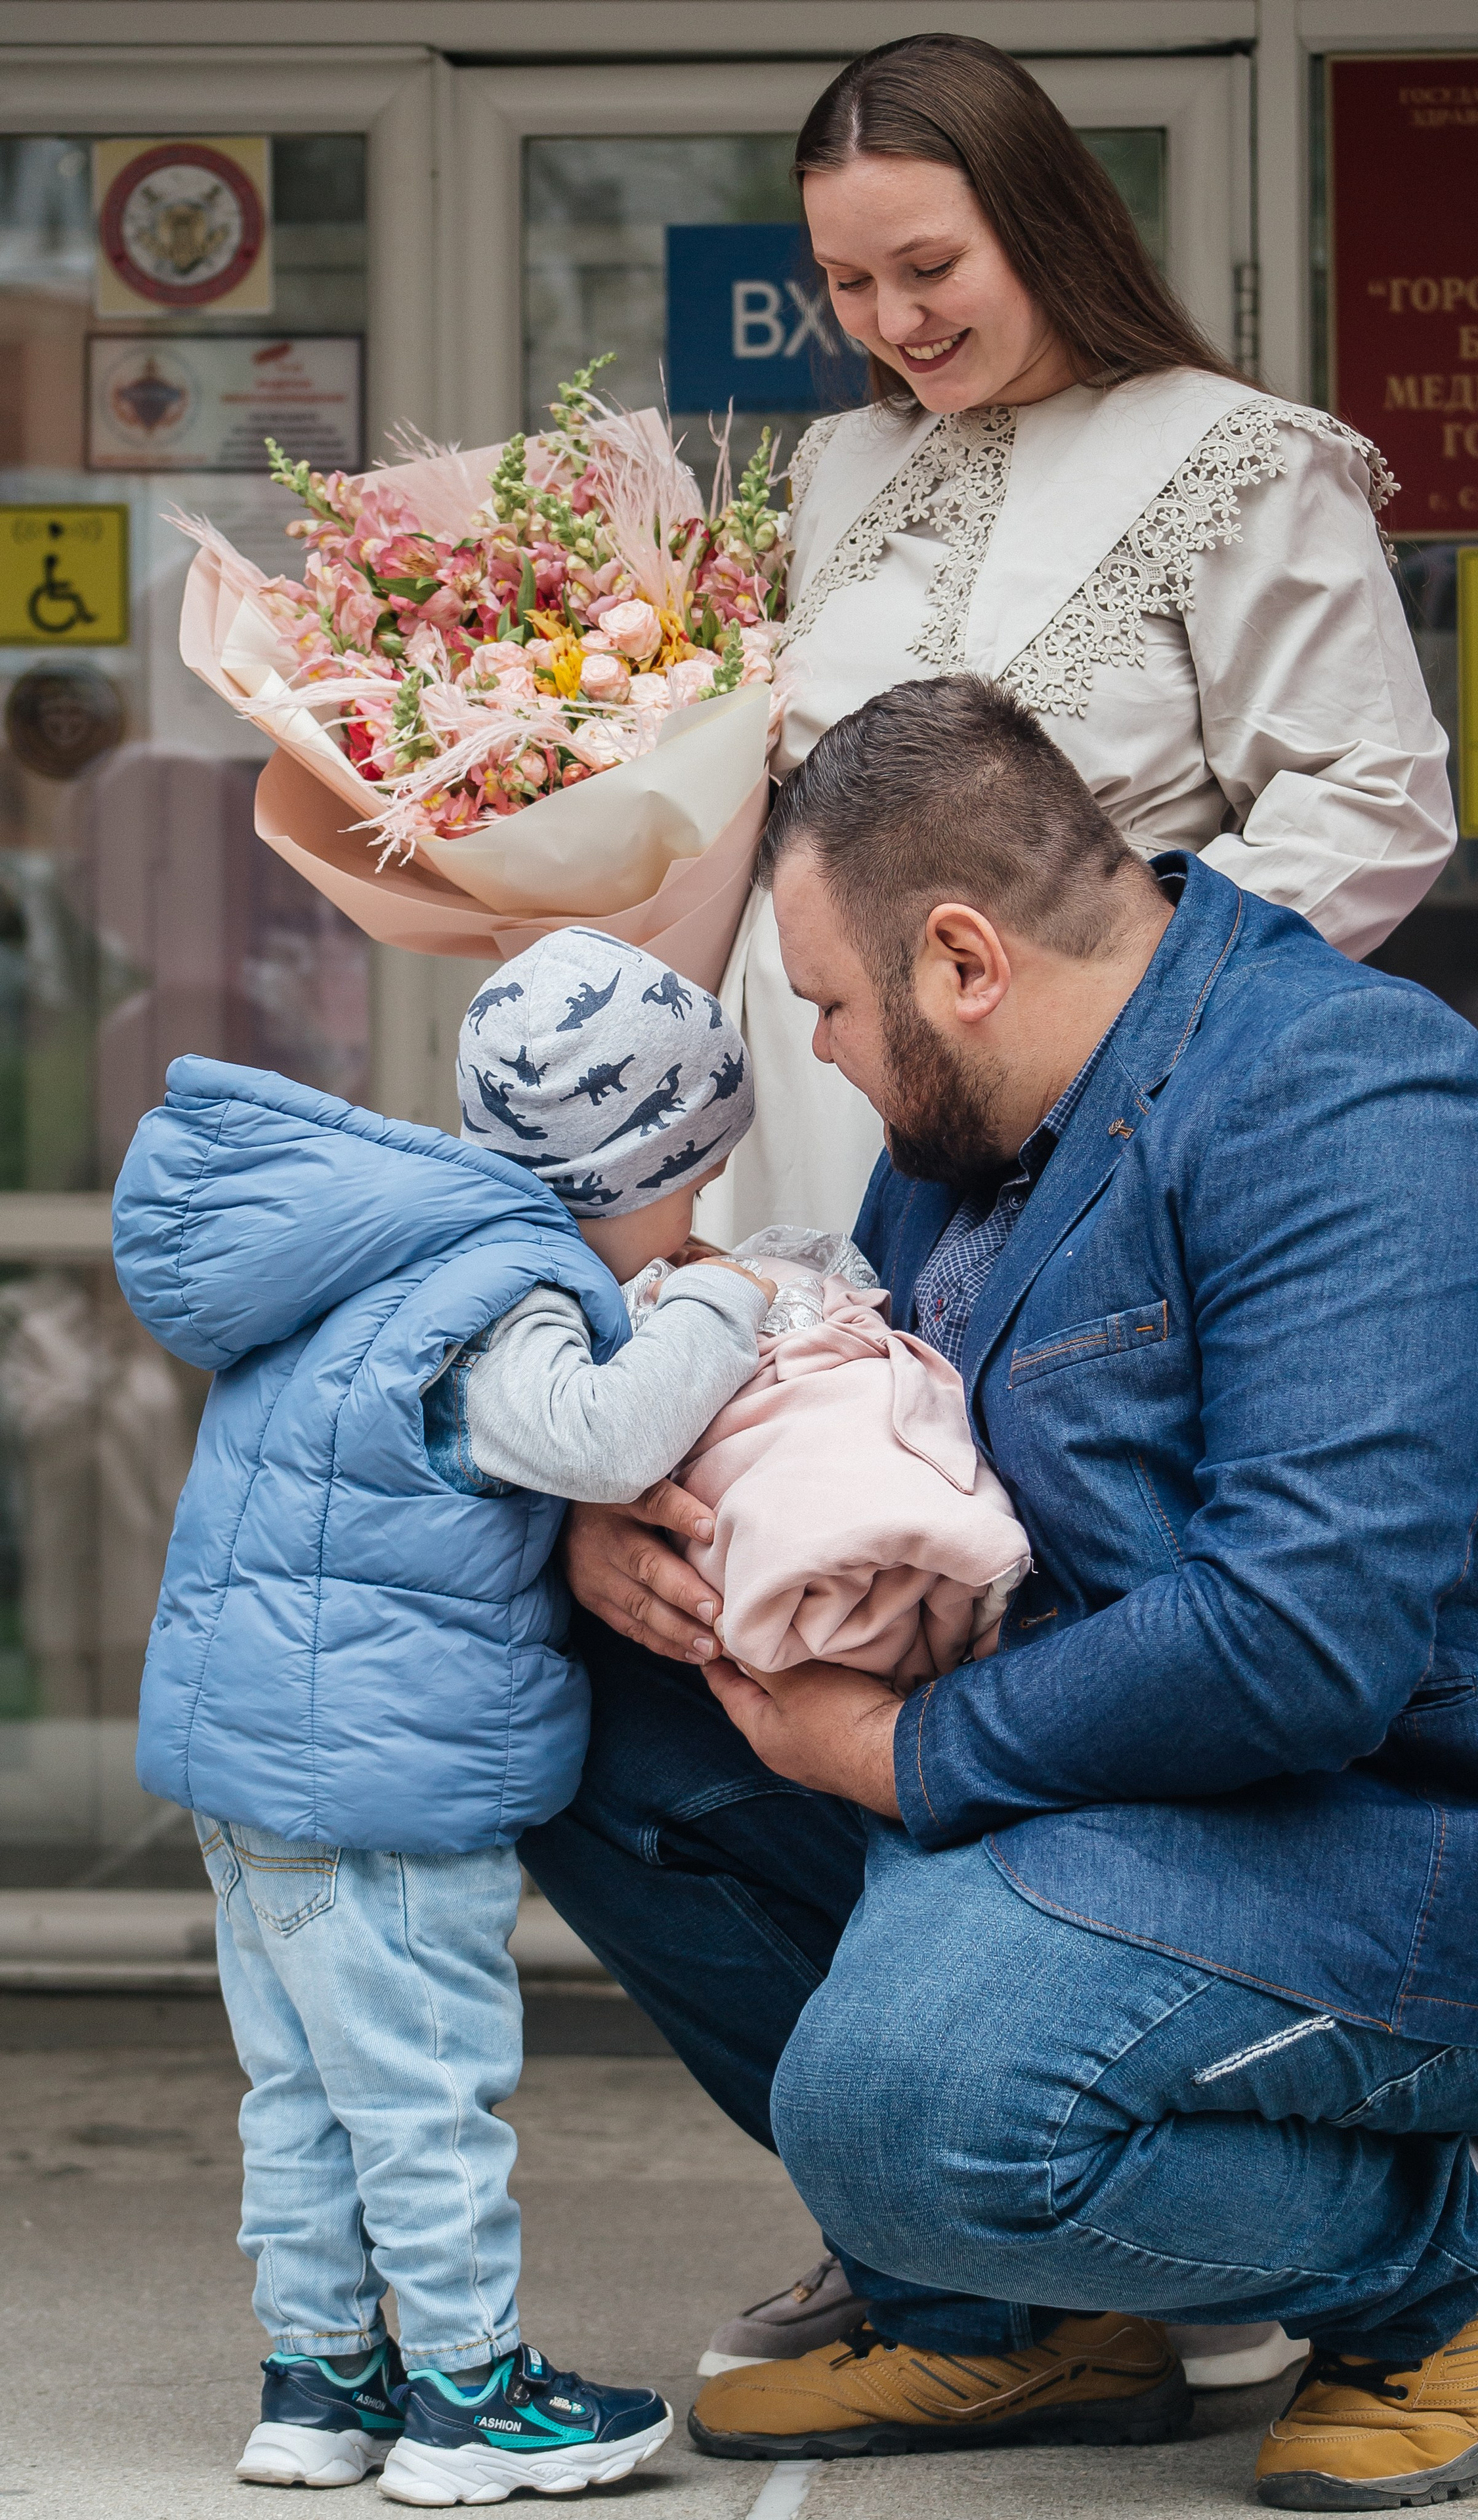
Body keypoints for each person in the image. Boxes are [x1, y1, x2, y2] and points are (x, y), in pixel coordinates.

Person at [523, 677, 1478, 2509]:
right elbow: (878, 1452)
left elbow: (1299, 1644)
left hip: (1412, 1843)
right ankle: (1020, 2316)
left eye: (826, 1002)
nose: (813, 1050)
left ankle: (1440, 2251)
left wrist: (900, 1758)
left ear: (964, 960)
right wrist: (638, 1532)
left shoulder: (1358, 1101)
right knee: (566, 1702)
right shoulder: (963, 1146)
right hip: (1113, 1783)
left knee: (907, 2105)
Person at [111, 930, 776, 2506]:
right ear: (630, 1172)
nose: (692, 1228)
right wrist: (724, 1306)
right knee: (421, 2089)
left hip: (257, 1758)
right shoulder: (509, 1290)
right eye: (693, 1190)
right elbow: (599, 1437)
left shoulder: (375, 1261)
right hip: (379, 1782)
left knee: (309, 2091)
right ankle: (472, 2393)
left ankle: (320, 2383)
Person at [695, 27, 1454, 1287]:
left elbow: (1374, 800)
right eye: (847, 280)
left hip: (1080, 1118)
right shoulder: (835, 467)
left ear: (1041, 221)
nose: (894, 321)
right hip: (794, 1099)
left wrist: (1129, 1005)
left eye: (930, 266)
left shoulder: (1241, 458)